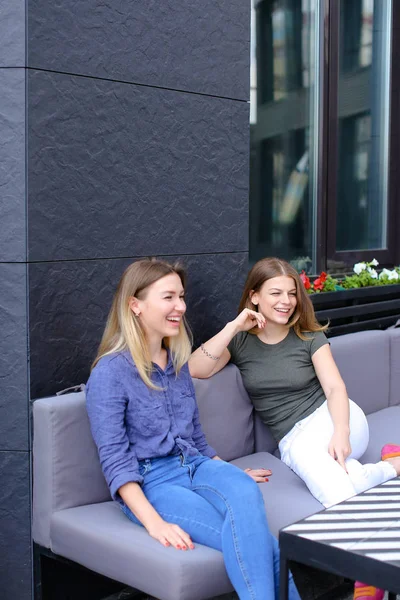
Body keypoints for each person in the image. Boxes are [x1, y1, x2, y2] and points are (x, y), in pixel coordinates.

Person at [86, 258, 301, 600]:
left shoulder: (175, 361)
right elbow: (115, 460)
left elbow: (195, 436)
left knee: (244, 488)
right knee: (257, 540)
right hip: (153, 480)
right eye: (168, 297)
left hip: (197, 465)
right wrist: (155, 523)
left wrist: (223, 470)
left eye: (181, 296)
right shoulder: (110, 373)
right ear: (135, 305)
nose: (180, 306)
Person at [189, 257, 400, 600]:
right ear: (254, 296)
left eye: (291, 293)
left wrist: (342, 433)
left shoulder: (308, 336)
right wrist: (232, 327)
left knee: (310, 459)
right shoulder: (241, 341)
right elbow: (194, 369)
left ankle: (367, 568)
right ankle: (387, 470)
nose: (286, 301)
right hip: (295, 437)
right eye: (275, 293)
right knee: (328, 471)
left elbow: (335, 389)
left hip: (338, 419)